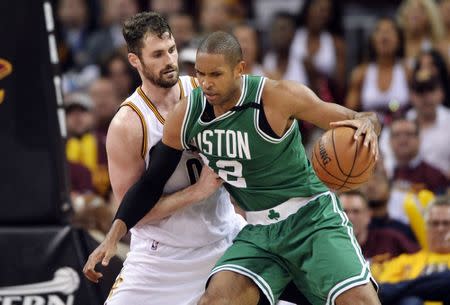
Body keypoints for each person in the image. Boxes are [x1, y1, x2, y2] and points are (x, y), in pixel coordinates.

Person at [92, 31, 382, 305]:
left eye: (215, 74)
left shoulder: (277, 97)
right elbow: (149, 184)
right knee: (216, 300)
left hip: (310, 219)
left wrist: (369, 124)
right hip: (259, 231)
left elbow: (359, 117)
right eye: (200, 74)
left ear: (239, 69)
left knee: (359, 301)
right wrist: (112, 236)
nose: (206, 83)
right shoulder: (187, 113)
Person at [83, 12, 245, 305]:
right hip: (162, 258)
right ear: (135, 61)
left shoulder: (201, 90)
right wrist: (197, 192)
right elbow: (134, 212)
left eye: (171, 50)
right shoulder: (127, 124)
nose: (169, 60)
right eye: (157, 54)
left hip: (223, 238)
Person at [374, 195, 450, 305]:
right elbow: (382, 295)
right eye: (434, 223)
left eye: (446, 223)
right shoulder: (404, 261)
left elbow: (388, 291)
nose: (440, 229)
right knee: (410, 302)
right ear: (425, 227)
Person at [339, 190, 419, 263]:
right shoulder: (328, 249)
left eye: (356, 211)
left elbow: (421, 259)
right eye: (344, 211)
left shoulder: (390, 240)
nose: (350, 217)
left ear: (368, 215)